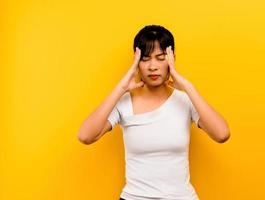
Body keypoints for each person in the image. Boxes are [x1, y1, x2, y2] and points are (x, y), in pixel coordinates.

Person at [77, 25, 230, 200]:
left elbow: (222, 134)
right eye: (145, 58)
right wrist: (121, 88)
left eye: (160, 58)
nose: (152, 66)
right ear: (136, 62)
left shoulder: (185, 100)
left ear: (172, 59)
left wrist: (189, 87)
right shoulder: (124, 103)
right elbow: (85, 136)